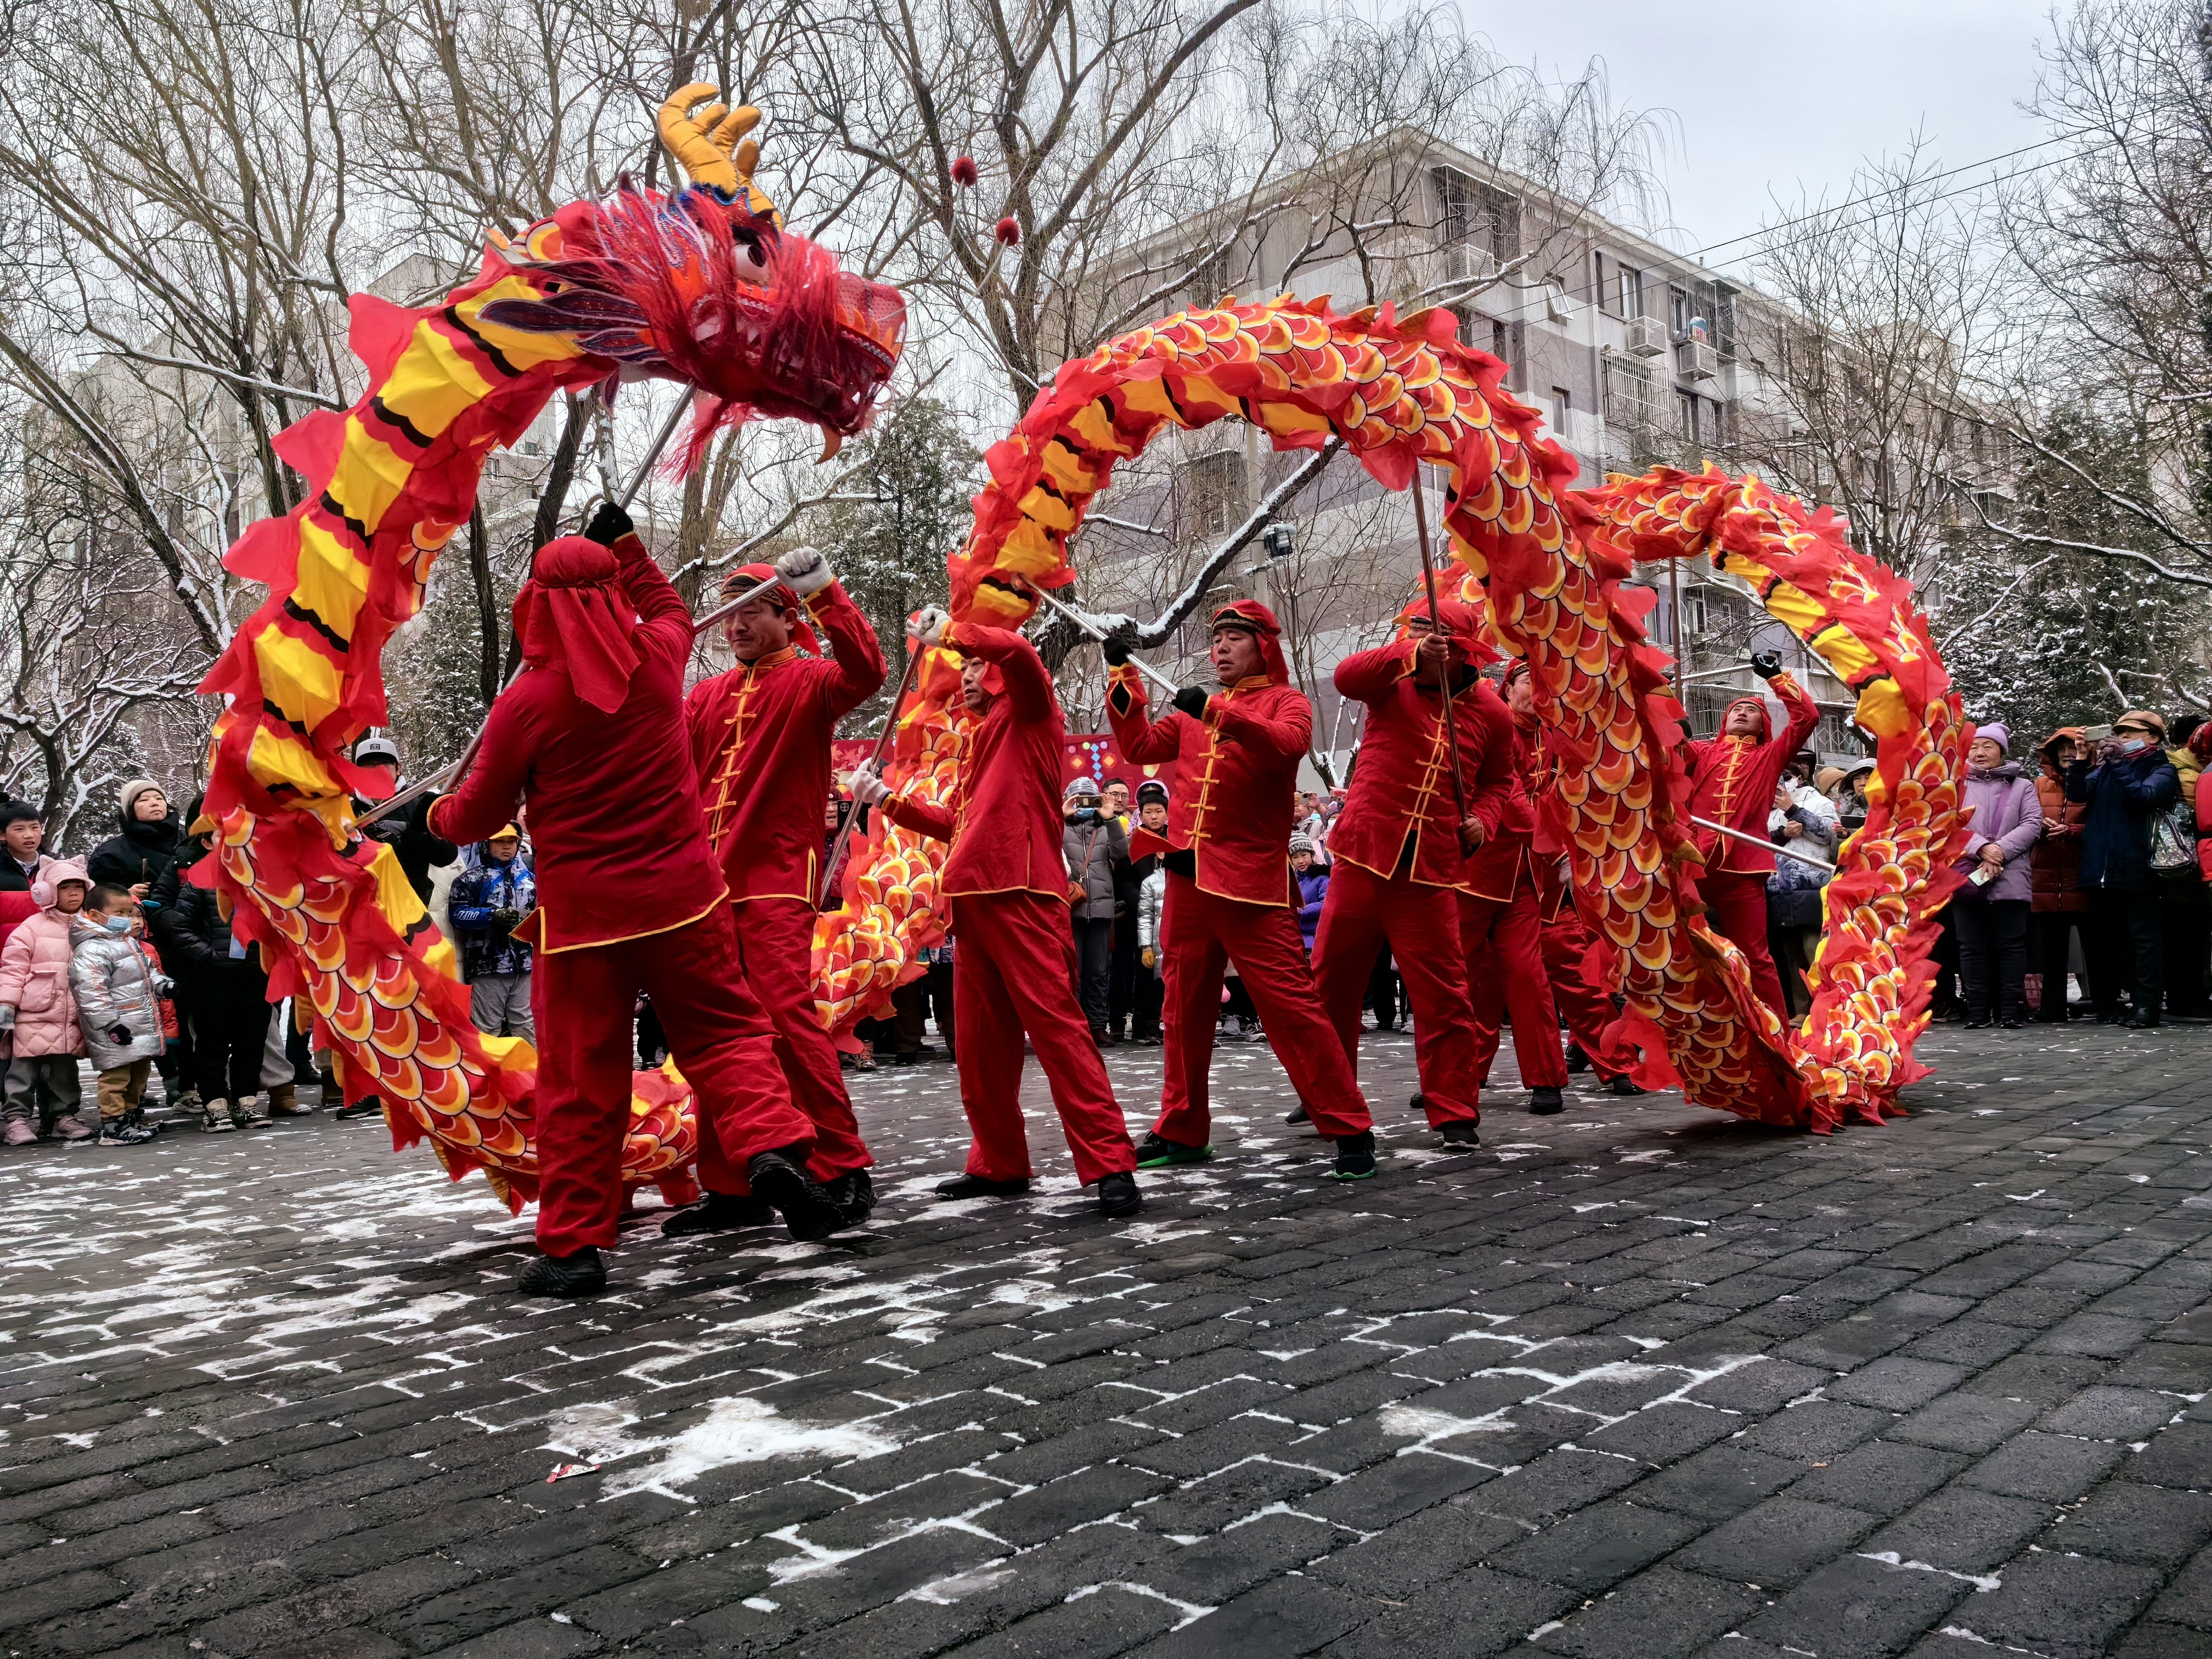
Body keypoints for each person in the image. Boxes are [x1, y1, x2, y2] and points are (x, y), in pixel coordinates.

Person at [429, 505, 838, 1294]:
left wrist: (435, 813)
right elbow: (670, 607)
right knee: (727, 1036)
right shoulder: (657, 659)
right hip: (686, 901)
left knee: (582, 1083)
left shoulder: (529, 703)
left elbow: (474, 817)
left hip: (584, 925)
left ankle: (574, 1246)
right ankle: (776, 1146)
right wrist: (627, 547)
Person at [852, 604, 1142, 1216]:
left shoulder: (1033, 714)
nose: (965, 674)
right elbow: (953, 821)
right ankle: (999, 1161)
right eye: (962, 666)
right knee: (980, 1046)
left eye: (975, 666)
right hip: (973, 898)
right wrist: (886, 799)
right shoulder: (979, 742)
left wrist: (957, 631)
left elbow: (1022, 657)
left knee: (1058, 1031)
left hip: (1024, 892)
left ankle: (1110, 1161)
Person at [1101, 599, 1375, 1176]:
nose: (1219, 647)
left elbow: (1285, 747)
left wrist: (1218, 714)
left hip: (1251, 883)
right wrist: (1121, 674)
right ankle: (1182, 1128)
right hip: (1188, 879)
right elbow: (1140, 748)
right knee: (1181, 1010)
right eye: (1216, 638)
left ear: (1263, 646)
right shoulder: (1199, 709)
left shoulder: (1288, 702)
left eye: (1233, 637)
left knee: (1291, 1008)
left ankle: (1348, 1125)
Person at [683, 548, 885, 1230]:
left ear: (785, 618)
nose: (734, 625)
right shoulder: (704, 698)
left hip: (772, 885)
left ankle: (843, 1164)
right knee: (716, 1038)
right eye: (728, 614)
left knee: (787, 1021)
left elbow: (868, 671)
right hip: (703, 893)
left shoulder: (809, 682)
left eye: (751, 612)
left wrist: (827, 590)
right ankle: (731, 1187)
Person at [1309, 596, 1513, 1149]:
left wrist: (1485, 820)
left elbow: (1500, 783)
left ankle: (1453, 1112)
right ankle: (1326, 1095)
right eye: (1415, 632)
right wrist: (1407, 650)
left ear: (1463, 649)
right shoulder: (1388, 682)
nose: (1424, 643)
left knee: (1445, 996)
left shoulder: (1493, 712)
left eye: (1434, 636)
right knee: (1330, 986)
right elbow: (1348, 676)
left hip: (1429, 873)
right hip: (1361, 857)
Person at [1484, 659, 1642, 1097]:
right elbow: (1506, 797)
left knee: (1576, 971)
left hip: (1548, 877)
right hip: (1493, 871)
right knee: (1485, 985)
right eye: (1528, 681)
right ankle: (1463, 1079)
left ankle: (1617, 1063)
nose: (1539, 691)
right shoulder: (1490, 728)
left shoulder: (1557, 738)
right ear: (1507, 687)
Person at [1682, 654, 1822, 1011]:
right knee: (1679, 950)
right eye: (1736, 710)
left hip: (1743, 869)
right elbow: (1658, 751)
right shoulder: (1700, 752)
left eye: (1752, 711)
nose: (1742, 713)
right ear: (1724, 720)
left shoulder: (1769, 756)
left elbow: (1808, 717)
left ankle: (1777, 1042)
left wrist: (1776, 678)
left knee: (1756, 957)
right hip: (1692, 863)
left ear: (1763, 726)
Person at [149, 803, 273, 1133]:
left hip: (256, 973)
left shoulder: (265, 882)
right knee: (211, 1042)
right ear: (208, 843)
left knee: (252, 1040)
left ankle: (247, 1101)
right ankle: (215, 1105)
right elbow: (181, 928)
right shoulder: (200, 883)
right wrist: (207, 956)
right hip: (213, 975)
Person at [2067, 710, 2181, 1028]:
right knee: (2110, 941)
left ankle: (2147, 1006)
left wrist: (2118, 764)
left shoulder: (2161, 767)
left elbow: (2143, 797)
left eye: (2130, 732)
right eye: (2119, 732)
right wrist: (2080, 759)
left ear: (2154, 737)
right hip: (2100, 868)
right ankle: (2114, 1005)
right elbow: (2077, 794)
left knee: (2145, 941)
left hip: (2141, 867)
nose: (2122, 737)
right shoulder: (2104, 769)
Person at [1949, 724, 2042, 1029]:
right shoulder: (1955, 785)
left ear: (2002, 751)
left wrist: (1998, 850)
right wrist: (1980, 849)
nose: (1980, 752)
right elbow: (1946, 824)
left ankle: (2010, 1010)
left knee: (2012, 945)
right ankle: (1977, 1010)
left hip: (2011, 873)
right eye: (1975, 747)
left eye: (1989, 746)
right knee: (1971, 946)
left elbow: (2032, 824)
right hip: (1966, 873)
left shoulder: (2023, 787)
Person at [0, 858, 92, 1144]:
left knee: (64, 1070)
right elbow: (13, 968)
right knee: (23, 1071)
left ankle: (63, 1116)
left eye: (79, 887)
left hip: (72, 1014)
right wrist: (7, 1004)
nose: (74, 894)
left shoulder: (91, 926)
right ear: (48, 892)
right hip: (33, 1012)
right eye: (66, 888)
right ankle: (16, 1120)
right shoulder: (31, 928)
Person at [69, 884, 168, 1145]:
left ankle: (131, 1116)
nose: (126, 918)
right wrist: (110, 1023)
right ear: (93, 915)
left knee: (139, 1073)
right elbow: (91, 993)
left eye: (129, 912)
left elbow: (147, 972)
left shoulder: (128, 943)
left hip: (139, 1021)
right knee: (117, 1076)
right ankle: (113, 1123)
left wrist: (161, 984)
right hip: (115, 1027)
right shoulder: (91, 950)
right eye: (119, 912)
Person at [448, 826, 536, 1045]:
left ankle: (528, 1077)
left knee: (526, 1026)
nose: (507, 846)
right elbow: (457, 914)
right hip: (489, 967)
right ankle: (486, 1078)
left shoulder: (530, 879)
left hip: (526, 965)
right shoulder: (470, 879)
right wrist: (492, 916)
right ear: (486, 844)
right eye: (499, 841)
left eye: (511, 841)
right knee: (487, 1030)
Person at [1765, 774, 1839, 1021]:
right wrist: (1782, 832)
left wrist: (1794, 810)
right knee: (1791, 954)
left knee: (1815, 951)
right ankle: (1802, 1011)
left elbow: (1831, 834)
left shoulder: (1819, 801)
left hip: (1813, 888)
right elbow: (1761, 840)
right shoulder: (1767, 809)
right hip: (1779, 889)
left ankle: (1827, 1008)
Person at [2031, 729, 2092, 1020]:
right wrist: (2039, 827)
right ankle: (2051, 1008)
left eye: (2072, 748)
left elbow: (2105, 824)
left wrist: (2073, 831)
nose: (2067, 753)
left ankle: (2104, 1004)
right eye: (2061, 749)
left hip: (2085, 874)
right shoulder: (2039, 785)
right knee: (2051, 949)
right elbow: (2025, 820)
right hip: (2046, 873)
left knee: (2097, 946)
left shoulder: (2096, 781)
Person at [353, 734, 459, 903]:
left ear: (398, 768)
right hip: (358, 904)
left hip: (409, 905)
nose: (377, 770)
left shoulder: (421, 802)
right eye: (368, 765)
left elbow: (447, 856)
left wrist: (407, 835)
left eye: (384, 763)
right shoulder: (345, 807)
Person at [1060, 775, 1127, 1043]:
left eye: (1091, 798)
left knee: (1098, 971)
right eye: (1079, 799)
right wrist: (1062, 817)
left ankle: (1098, 1025)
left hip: (1100, 909)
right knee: (1072, 970)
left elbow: (1122, 853)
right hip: (1069, 908)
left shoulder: (1106, 826)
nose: (1085, 805)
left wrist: (1110, 818)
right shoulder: (1060, 827)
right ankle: (1074, 1027)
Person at [2159, 714, 2208, 1017]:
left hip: (2183, 860)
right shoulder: (2185, 771)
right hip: (2182, 861)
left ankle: (2186, 996)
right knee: (2187, 932)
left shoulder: (2185, 767)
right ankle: (2187, 997)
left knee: (2187, 931)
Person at [86, 780, 184, 900]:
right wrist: (125, 895)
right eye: (144, 800)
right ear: (130, 810)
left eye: (159, 799)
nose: (154, 803)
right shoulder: (109, 855)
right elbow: (98, 899)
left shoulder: (191, 840)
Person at [0, 801, 53, 894]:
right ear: (2, 835)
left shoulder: (54, 866)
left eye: (34, 827)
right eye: (19, 829)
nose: (29, 835)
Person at [1291, 833, 1327, 948]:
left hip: (1315, 937)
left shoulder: (1322, 878)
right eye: (1295, 857)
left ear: (1312, 855)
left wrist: (1299, 911)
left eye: (1304, 855)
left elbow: (1325, 904)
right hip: (1296, 936)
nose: (1300, 861)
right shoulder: (1293, 881)